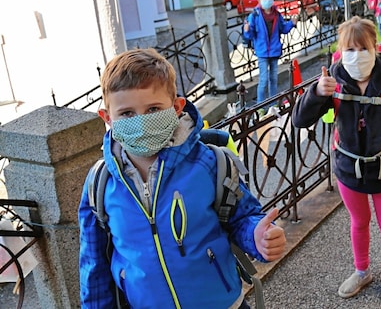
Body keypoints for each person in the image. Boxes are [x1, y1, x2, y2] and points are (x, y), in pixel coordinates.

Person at [78, 48, 286, 308]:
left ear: (176, 107)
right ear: (107, 118)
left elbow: (242, 217)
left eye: (154, 108)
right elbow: (93, 266)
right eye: (127, 114)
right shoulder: (100, 183)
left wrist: (257, 236)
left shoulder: (209, 163)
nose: (141, 122)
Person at [292, 16, 381, 306]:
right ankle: (362, 271)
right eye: (349, 50)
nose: (356, 56)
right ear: (340, 51)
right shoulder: (333, 81)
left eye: (362, 49)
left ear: (375, 48)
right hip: (348, 169)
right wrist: (315, 93)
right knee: (358, 221)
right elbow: (300, 120)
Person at [243, 0, 298, 106]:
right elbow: (250, 35)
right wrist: (246, 30)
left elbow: (282, 29)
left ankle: (273, 105)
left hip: (274, 51)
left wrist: (291, 24)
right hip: (262, 52)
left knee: (273, 79)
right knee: (263, 80)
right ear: (259, 0)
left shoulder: (277, 15)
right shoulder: (255, 15)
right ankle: (260, 106)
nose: (267, 0)